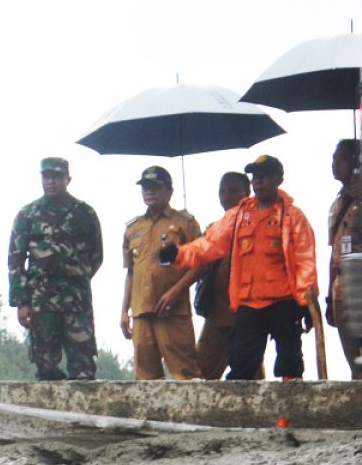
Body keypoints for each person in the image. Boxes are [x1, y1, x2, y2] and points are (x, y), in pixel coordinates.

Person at [161, 155, 317, 381]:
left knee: (289, 361)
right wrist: (178, 254)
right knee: (241, 363)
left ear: (278, 179)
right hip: (248, 301)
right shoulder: (239, 215)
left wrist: (306, 302)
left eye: (264, 177)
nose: (259, 182)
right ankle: (244, 415)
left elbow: (305, 259)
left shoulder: (293, 216)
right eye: (256, 177)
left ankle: (288, 416)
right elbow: (209, 245)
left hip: (283, 299)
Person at [8, 157, 104, 380]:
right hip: (42, 303)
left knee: (83, 368)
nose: (51, 182)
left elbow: (96, 255)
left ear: (67, 179)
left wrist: (76, 277)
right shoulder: (28, 215)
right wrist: (22, 302)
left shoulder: (84, 213)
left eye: (57, 177)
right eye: (46, 177)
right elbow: (15, 260)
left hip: (76, 302)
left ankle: (84, 414)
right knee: (46, 367)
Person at [119, 166, 202, 380]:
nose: (150, 191)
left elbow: (201, 264)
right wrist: (124, 311)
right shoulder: (132, 228)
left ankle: (189, 414)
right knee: (145, 379)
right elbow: (131, 272)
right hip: (141, 311)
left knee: (185, 374)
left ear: (169, 191)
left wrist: (175, 292)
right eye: (146, 187)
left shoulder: (185, 223)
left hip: (171, 309)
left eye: (156, 187)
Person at [190, 172, 251, 379]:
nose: (226, 196)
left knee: (248, 372)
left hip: (248, 310)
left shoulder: (256, 225)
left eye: (233, 191)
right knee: (201, 371)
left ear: (247, 193)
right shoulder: (213, 229)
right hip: (218, 311)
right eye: (222, 192)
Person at [326, 139, 362, 379]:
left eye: (341, 158)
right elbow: (334, 251)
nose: (334, 164)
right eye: (333, 158)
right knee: (355, 363)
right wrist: (330, 295)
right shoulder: (338, 202)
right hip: (342, 285)